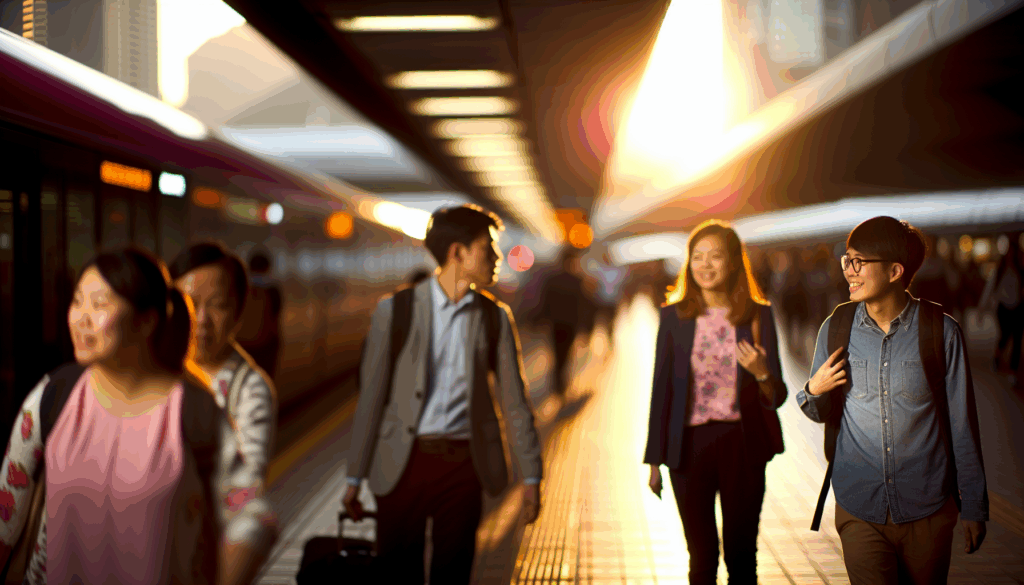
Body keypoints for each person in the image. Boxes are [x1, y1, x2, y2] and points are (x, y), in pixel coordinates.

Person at [0, 246, 275, 585]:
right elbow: (7, 514)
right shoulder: (54, 395)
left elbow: (251, 517)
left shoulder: (193, 412)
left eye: (99, 305)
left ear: (147, 321)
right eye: (78, 301)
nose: (82, 318)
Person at [342, 204, 543, 584]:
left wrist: (531, 477)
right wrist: (355, 476)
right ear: (457, 252)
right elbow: (371, 398)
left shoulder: (494, 317)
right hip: (402, 463)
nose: (497, 258)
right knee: (398, 574)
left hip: (463, 465)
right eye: (487, 248)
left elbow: (515, 402)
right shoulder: (396, 311)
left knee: (454, 571)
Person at [798, 217, 988, 585]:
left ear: (895, 271)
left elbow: (963, 425)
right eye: (847, 260)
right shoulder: (835, 328)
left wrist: (974, 506)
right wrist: (814, 390)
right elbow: (819, 412)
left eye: (859, 262)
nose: (848, 271)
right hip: (859, 507)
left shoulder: (941, 332)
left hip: (928, 508)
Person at [644, 219, 788, 585]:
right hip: (688, 448)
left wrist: (761, 373)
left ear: (734, 262)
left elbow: (778, 395)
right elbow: (662, 391)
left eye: (715, 256)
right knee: (702, 556)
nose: (705, 265)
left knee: (742, 555)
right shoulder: (674, 317)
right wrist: (654, 461)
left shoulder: (757, 315)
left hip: (743, 444)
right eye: (697, 256)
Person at [170, 241, 279, 485]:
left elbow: (244, 484)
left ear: (239, 313)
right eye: (189, 303)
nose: (202, 319)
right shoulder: (149, 370)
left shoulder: (250, 391)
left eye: (218, 305)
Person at [537, 251, 594, 397]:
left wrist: (541, 319)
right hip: (570, 324)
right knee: (566, 352)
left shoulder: (552, 278)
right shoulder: (577, 280)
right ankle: (560, 381)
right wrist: (586, 326)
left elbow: (545, 301)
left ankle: (558, 380)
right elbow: (583, 305)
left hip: (556, 323)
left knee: (557, 351)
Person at [980, 238, 1024, 378]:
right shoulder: (999, 271)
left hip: (1018, 308)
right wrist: (981, 309)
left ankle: (1013, 370)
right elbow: (988, 290)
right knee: (1004, 337)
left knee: (1017, 339)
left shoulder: (1020, 270)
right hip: (1003, 308)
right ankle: (997, 357)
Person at [236, 249, 283, 379]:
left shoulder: (240, 288)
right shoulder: (272, 290)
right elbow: (275, 316)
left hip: (242, 344)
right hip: (265, 344)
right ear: (267, 268)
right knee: (264, 378)